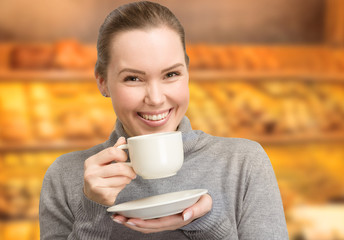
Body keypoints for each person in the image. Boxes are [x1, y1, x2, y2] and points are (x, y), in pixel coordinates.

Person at [39, 1, 288, 239]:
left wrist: (206, 223)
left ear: (188, 74)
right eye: (133, 78)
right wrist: (92, 209)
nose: (156, 99)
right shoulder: (66, 176)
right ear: (102, 82)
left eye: (171, 74)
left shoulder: (244, 163)